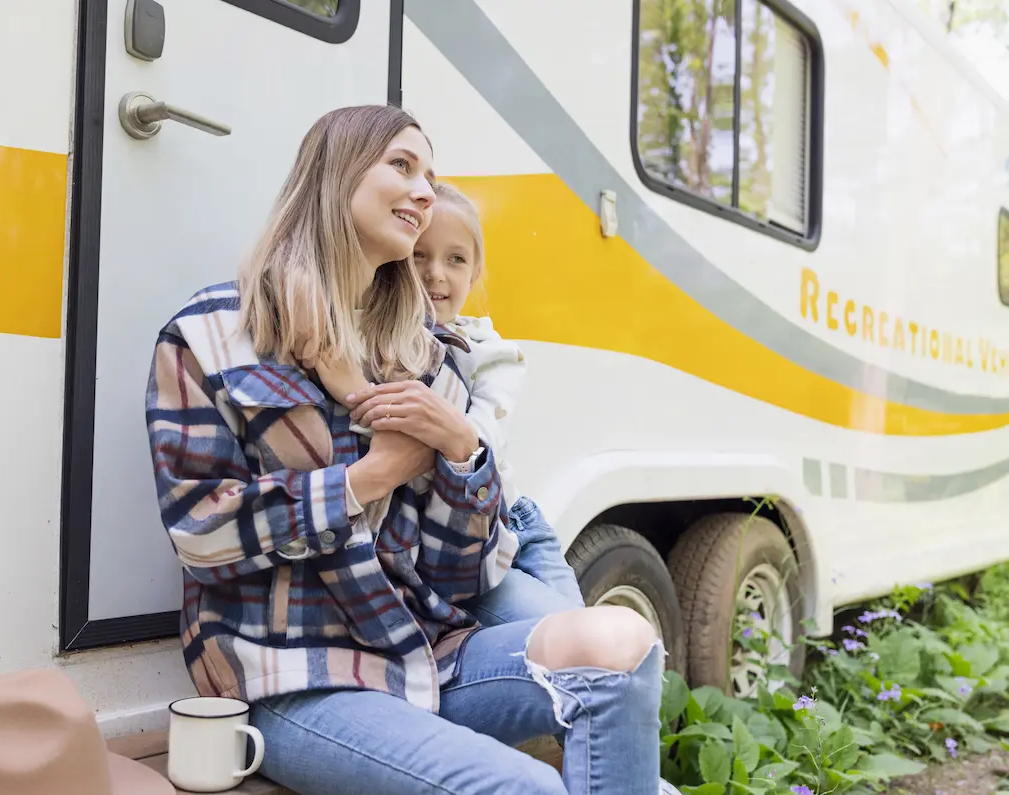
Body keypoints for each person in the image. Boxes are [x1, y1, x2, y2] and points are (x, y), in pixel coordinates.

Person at [145, 104, 664, 795]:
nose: (425, 191)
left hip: (427, 657)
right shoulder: (212, 333)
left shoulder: (428, 357)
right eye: (402, 166)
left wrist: (460, 450)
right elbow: (201, 533)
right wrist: (367, 477)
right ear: (335, 174)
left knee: (623, 645)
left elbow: (458, 579)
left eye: (431, 175)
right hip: (297, 677)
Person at [319, 181, 586, 616]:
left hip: (509, 518)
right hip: (448, 536)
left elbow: (476, 444)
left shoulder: (489, 351)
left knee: (586, 634)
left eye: (456, 259)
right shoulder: (371, 336)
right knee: (564, 641)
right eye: (418, 255)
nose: (435, 273)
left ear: (475, 272)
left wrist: (360, 395)